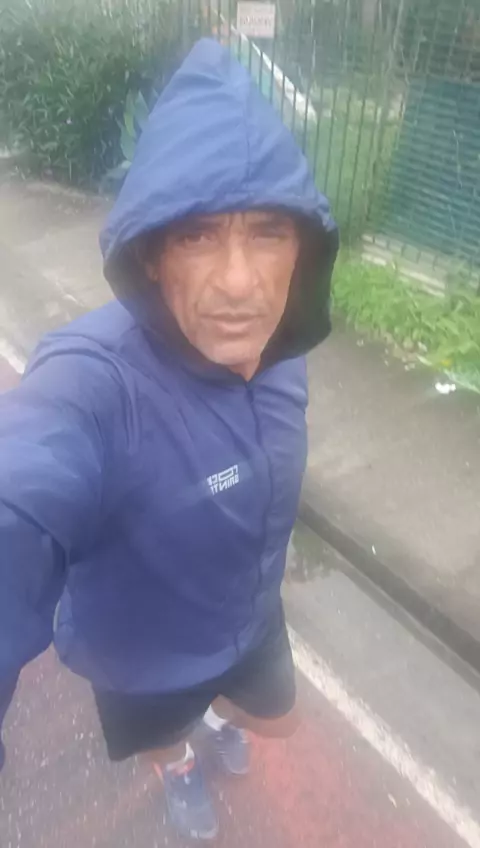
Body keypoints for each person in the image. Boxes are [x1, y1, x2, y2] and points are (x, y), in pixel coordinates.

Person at [0, 39, 338, 840]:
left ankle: (209, 718)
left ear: (303, 248)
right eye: (195, 236)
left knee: (275, 716)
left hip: (247, 617)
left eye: (268, 232)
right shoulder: (93, 383)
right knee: (164, 735)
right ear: (151, 256)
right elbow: (24, 488)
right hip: (140, 657)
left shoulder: (283, 354)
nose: (238, 283)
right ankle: (179, 763)